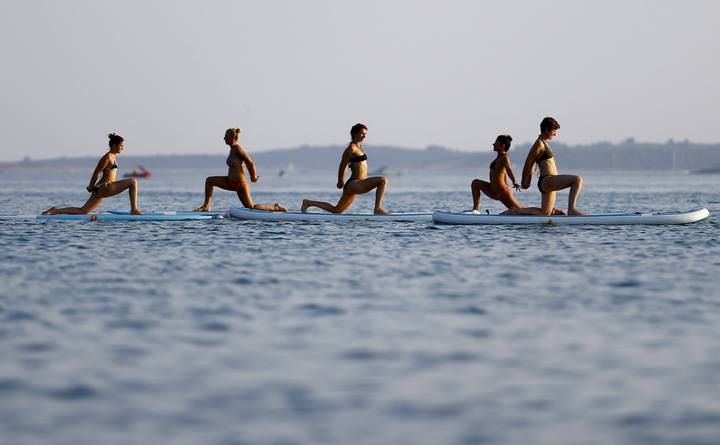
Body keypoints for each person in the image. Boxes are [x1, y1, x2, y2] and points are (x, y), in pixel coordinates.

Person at [42, 133, 143, 215]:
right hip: (105, 187)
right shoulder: (107, 157)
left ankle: (55, 211)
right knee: (133, 181)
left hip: (101, 189)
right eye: (121, 146)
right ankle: (134, 210)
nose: (123, 148)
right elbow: (96, 173)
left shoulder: (113, 156)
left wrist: (93, 187)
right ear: (114, 145)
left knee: (83, 211)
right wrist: (91, 186)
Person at [301, 123, 389, 214]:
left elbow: (349, 165)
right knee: (383, 180)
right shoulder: (351, 148)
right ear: (354, 133)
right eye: (362, 134)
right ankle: (377, 208)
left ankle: (308, 202)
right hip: (356, 183)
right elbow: (343, 165)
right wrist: (340, 180)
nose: (364, 136)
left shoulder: (360, 147)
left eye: (365, 134)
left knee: (337, 210)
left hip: (357, 184)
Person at [194, 128, 286, 212]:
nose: (224, 138)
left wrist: (253, 176)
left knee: (251, 207)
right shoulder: (232, 150)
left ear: (232, 137)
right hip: (230, 182)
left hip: (240, 184)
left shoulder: (238, 149)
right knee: (209, 181)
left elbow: (250, 163)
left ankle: (275, 207)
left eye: (226, 136)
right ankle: (206, 206)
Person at [508, 117, 584, 216]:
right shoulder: (539, 144)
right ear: (547, 129)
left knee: (545, 213)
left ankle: (515, 211)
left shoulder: (544, 143)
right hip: (547, 180)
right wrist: (525, 182)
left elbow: (534, 163)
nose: (555, 134)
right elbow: (528, 162)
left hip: (549, 182)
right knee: (577, 180)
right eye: (554, 131)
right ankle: (571, 209)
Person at [471, 135, 523, 213]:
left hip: (502, 192)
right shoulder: (499, 157)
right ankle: (476, 210)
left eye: (496, 142)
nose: (493, 144)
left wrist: (514, 181)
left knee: (520, 211)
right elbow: (503, 173)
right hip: (493, 191)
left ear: (502, 145)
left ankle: (537, 215)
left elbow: (509, 169)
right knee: (475, 183)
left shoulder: (505, 157)